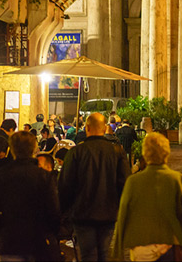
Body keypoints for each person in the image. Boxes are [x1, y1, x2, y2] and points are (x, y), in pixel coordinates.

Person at [112, 132, 182, 261]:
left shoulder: (133, 182)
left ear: (145, 154)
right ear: (166, 152)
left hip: (141, 245)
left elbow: (123, 214)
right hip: (171, 242)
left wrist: (117, 250)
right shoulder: (177, 179)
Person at [59, 112, 130, 261]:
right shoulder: (117, 152)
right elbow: (125, 183)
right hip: (108, 212)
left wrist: (66, 211)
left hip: (82, 213)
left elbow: (65, 185)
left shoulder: (76, 152)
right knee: (104, 253)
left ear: (87, 128)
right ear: (104, 128)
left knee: (87, 255)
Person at [0, 131, 61, 261]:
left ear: (12, 149)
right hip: (38, 242)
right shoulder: (44, 177)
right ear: (33, 149)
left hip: (10, 240)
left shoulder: (0, 176)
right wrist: (50, 233)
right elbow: (54, 210)